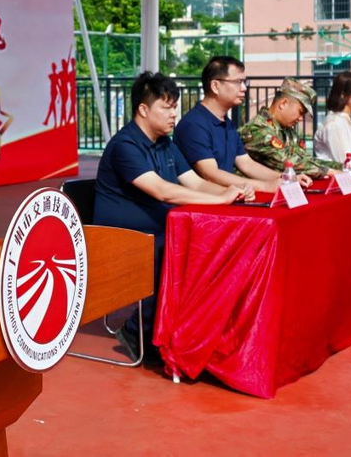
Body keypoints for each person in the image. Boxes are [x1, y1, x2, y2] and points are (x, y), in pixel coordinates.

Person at [93, 72, 245, 364]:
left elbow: (195, 183)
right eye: (166, 107)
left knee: (204, 244)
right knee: (181, 250)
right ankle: (137, 330)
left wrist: (231, 192)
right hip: (121, 240)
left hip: (157, 231)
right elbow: (162, 190)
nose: (174, 113)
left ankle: (188, 333)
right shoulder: (125, 145)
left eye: (175, 106)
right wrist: (219, 199)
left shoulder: (166, 144)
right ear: (143, 109)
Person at [174, 56, 308, 192]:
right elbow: (210, 174)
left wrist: (287, 178)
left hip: (229, 197)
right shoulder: (193, 125)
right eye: (238, 82)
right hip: (205, 202)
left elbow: (247, 164)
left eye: (245, 82)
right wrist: (264, 186)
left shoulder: (227, 124)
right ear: (215, 86)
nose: (244, 88)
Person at [240, 78, 342, 179]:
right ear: (283, 103)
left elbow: (305, 160)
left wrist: (341, 167)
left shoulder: (288, 131)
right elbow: (289, 163)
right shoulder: (258, 129)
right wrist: (329, 171)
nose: (301, 118)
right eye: (300, 112)